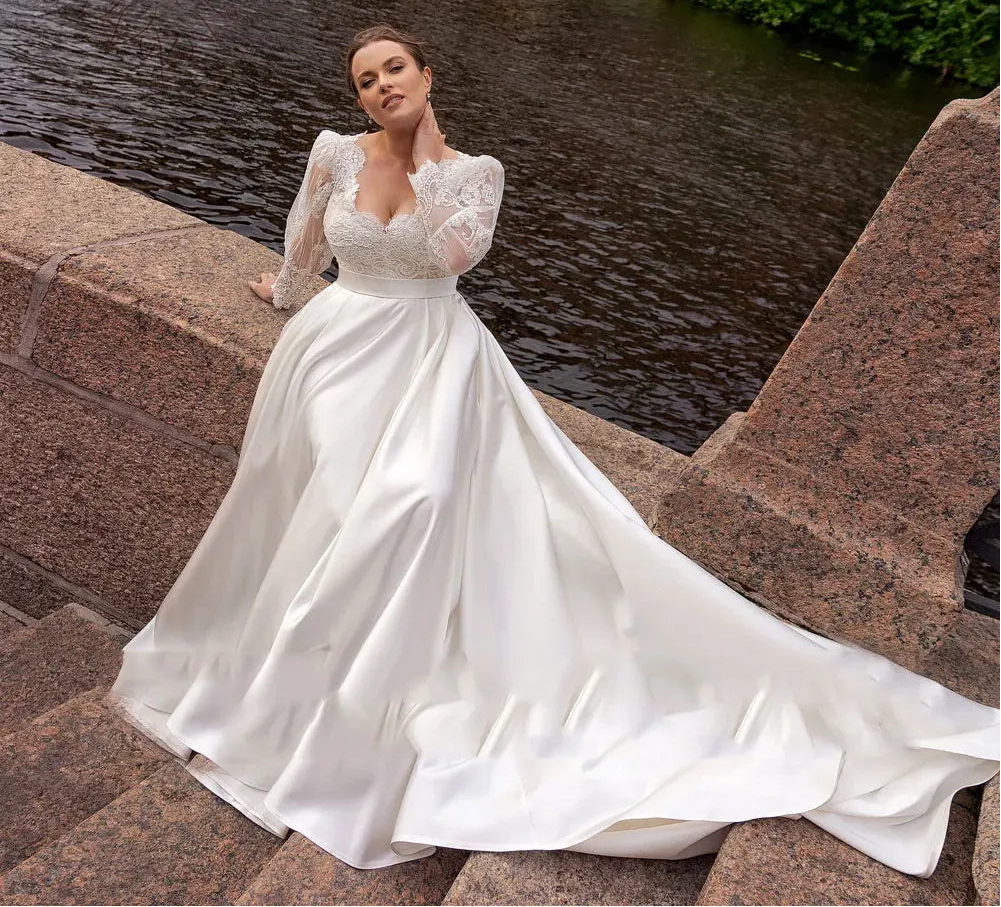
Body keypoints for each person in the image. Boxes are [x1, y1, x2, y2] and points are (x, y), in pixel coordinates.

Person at [107, 23, 1000, 877]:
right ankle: (287, 691)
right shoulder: (334, 151)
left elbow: (459, 252)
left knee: (408, 500)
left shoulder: (475, 173)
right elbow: (305, 235)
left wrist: (424, 159)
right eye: (365, 79)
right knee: (327, 503)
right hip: (336, 348)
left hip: (425, 357)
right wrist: (287, 292)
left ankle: (340, 709)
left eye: (393, 71)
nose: (380, 86)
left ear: (426, 76)